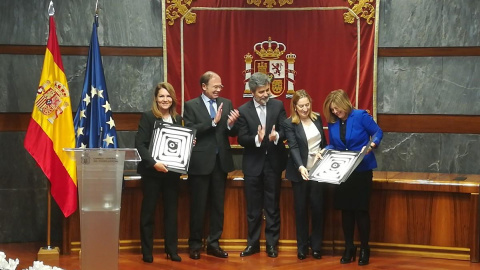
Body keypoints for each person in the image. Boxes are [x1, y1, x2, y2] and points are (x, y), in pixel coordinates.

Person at [322, 89, 383, 266]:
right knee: (346, 210)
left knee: (361, 210)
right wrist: (323, 151)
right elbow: (333, 144)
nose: (335, 112)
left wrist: (372, 144)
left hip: (362, 170)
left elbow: (378, 132)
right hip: (343, 171)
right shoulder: (333, 122)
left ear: (345, 104)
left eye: (337, 109)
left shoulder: (361, 116)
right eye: (332, 110)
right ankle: (349, 247)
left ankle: (365, 248)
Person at [183, 71, 240, 260]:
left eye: (220, 86)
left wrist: (231, 124)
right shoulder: (191, 106)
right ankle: (195, 244)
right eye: (215, 86)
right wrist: (212, 122)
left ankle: (214, 243)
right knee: (198, 206)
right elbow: (190, 130)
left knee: (217, 207)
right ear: (204, 87)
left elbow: (233, 132)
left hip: (220, 162)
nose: (218, 89)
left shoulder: (227, 103)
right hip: (200, 163)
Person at [237, 72, 287, 258]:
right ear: (253, 93)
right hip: (252, 165)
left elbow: (285, 129)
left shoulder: (278, 105)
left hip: (273, 163)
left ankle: (272, 245)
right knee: (253, 208)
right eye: (261, 92)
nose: (266, 94)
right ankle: (253, 244)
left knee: (272, 206)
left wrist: (277, 137)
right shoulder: (243, 110)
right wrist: (256, 139)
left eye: (267, 90)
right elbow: (241, 138)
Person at [135, 82, 183, 263]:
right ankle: (147, 251)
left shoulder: (178, 119)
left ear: (173, 99)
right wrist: (154, 163)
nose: (165, 99)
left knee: (171, 213)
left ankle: (172, 250)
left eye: (168, 96)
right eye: (162, 96)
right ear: (156, 99)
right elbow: (140, 144)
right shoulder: (148, 117)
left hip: (172, 174)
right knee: (148, 212)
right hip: (152, 173)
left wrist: (188, 144)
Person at [282, 90, 327, 260]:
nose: (305, 108)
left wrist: (322, 151)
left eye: (307, 104)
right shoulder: (289, 123)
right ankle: (302, 247)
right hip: (299, 173)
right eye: (301, 106)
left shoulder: (316, 118)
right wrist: (301, 166)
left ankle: (316, 246)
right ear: (295, 106)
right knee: (301, 211)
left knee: (317, 209)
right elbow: (293, 147)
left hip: (318, 172)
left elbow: (323, 143)